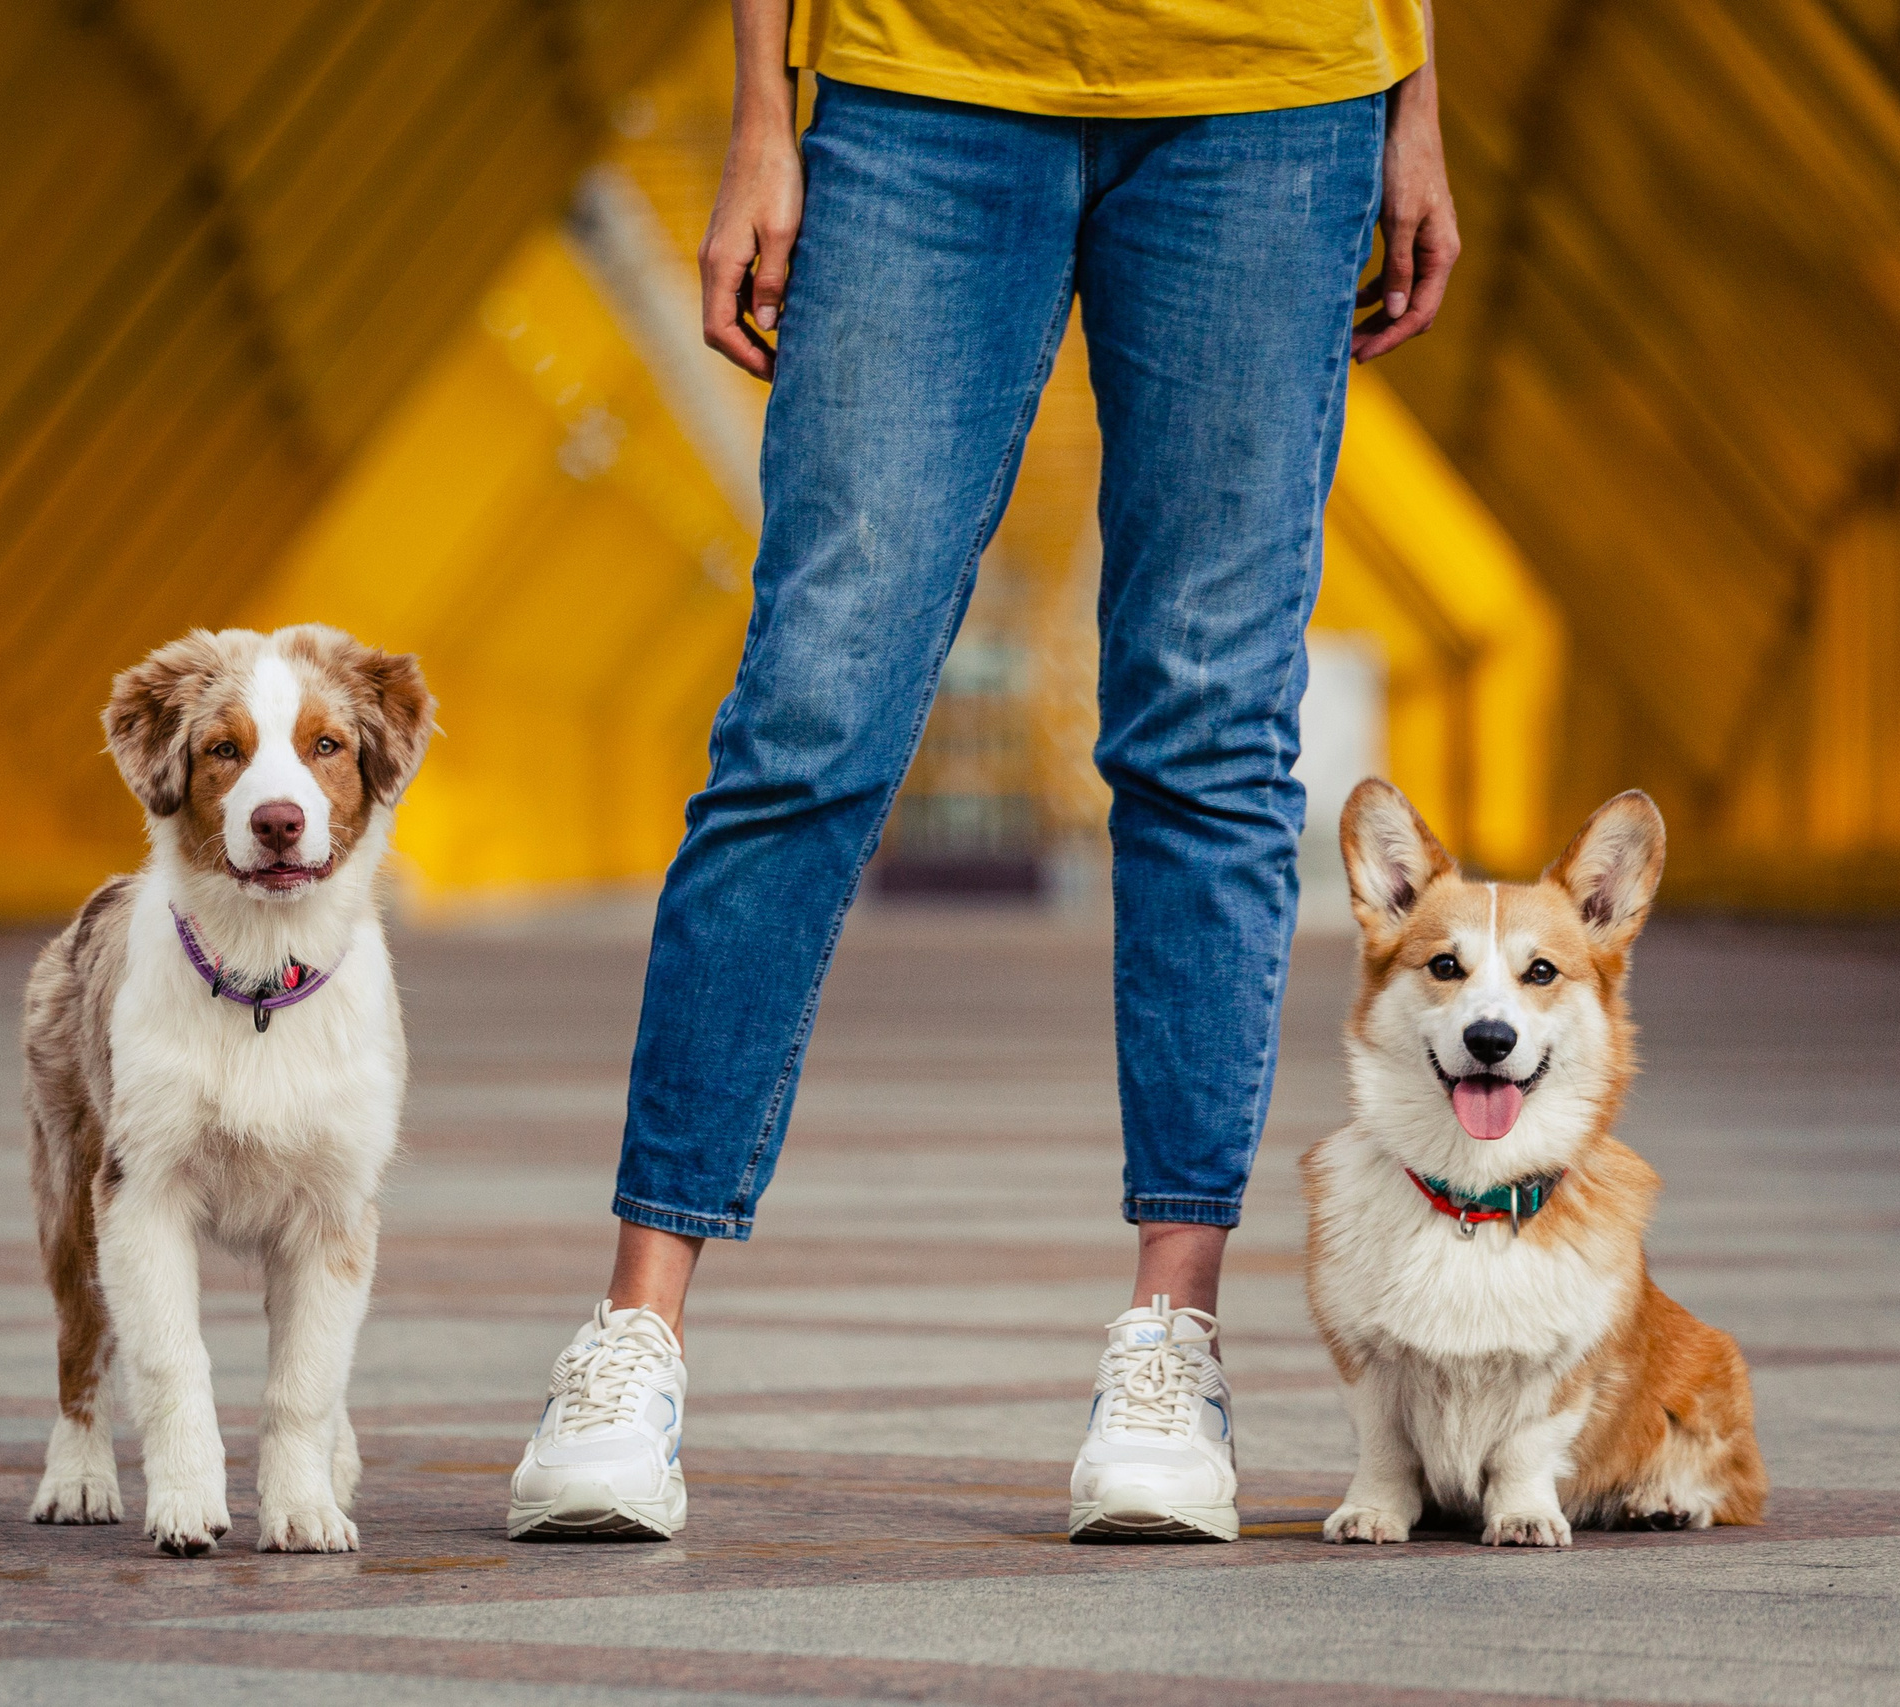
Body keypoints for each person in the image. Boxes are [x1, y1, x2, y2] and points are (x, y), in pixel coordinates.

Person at [506, 0, 1458, 1543]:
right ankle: (636, 1332)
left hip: (1279, 93)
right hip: (917, 74)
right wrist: (762, 109)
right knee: (809, 710)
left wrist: (1413, 102)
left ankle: (1174, 1340)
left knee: (1211, 724)